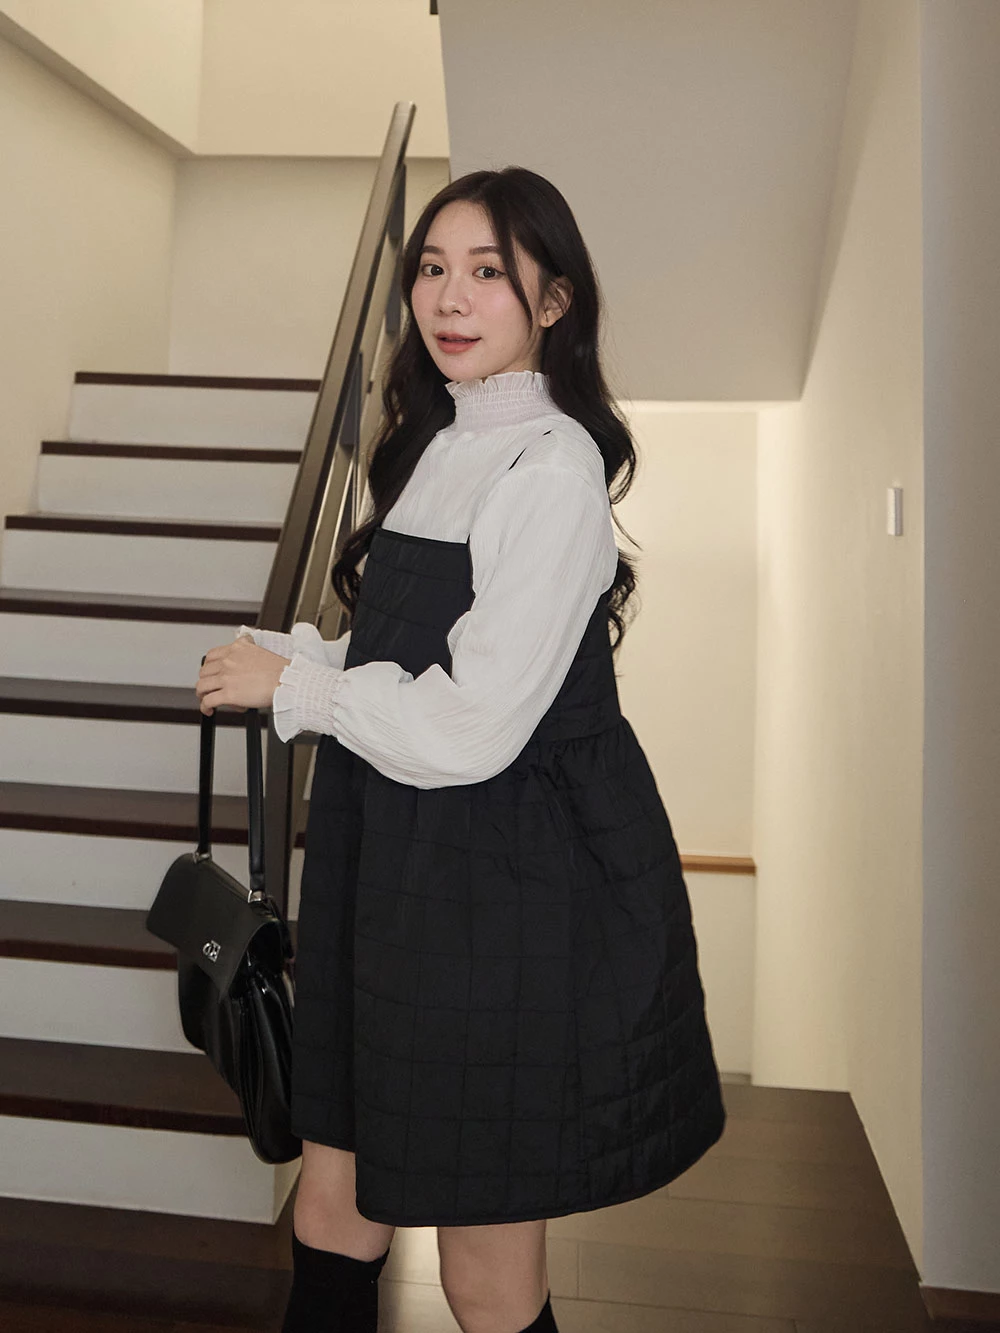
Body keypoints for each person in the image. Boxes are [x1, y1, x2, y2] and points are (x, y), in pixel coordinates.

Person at [195, 166, 726, 1333]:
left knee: (482, 1268)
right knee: (332, 1206)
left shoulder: (551, 468)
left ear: (554, 301)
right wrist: (292, 657)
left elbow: (472, 722)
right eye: (432, 267)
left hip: (501, 885)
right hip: (395, 856)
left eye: (487, 271)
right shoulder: (436, 440)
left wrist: (300, 688)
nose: (448, 296)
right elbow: (412, 652)